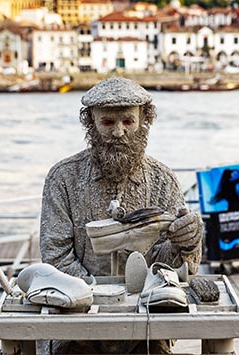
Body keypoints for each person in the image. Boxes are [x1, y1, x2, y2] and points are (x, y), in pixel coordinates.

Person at [39, 77, 203, 354]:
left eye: (128, 121)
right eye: (107, 123)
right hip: (76, 325)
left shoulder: (163, 180)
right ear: (91, 123)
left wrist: (186, 243)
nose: (118, 132)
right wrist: (101, 299)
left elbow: (173, 270)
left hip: (147, 327)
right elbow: (55, 257)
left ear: (144, 121)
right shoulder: (63, 178)